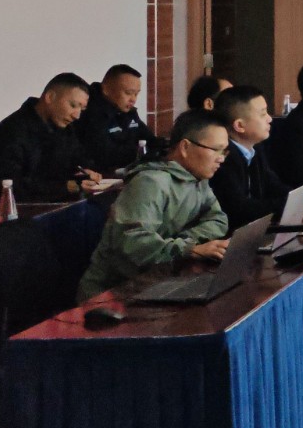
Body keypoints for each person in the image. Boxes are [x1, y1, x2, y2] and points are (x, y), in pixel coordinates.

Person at [76, 111, 231, 301]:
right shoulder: (150, 182)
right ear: (185, 147)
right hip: (114, 293)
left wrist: (185, 242)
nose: (221, 158)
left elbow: (218, 219)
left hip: (159, 281)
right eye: (216, 150)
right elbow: (133, 243)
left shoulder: (197, 180)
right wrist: (188, 249)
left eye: (224, 151)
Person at [0, 73, 103, 204]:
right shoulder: (13, 132)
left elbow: (79, 159)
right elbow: (8, 188)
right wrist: (67, 186)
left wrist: (86, 173)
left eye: (82, 109)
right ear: (50, 97)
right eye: (73, 105)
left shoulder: (63, 128)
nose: (77, 116)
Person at [209, 85, 291, 225]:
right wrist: (291, 205)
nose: (269, 119)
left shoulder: (255, 147)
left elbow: (274, 186)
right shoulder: (224, 159)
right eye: (263, 114)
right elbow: (241, 210)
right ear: (239, 125)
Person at [79, 64, 156, 173]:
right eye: (128, 93)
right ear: (106, 89)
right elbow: (105, 154)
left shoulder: (128, 111)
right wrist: (140, 151)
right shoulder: (89, 113)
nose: (133, 99)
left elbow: (149, 140)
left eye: (136, 94)